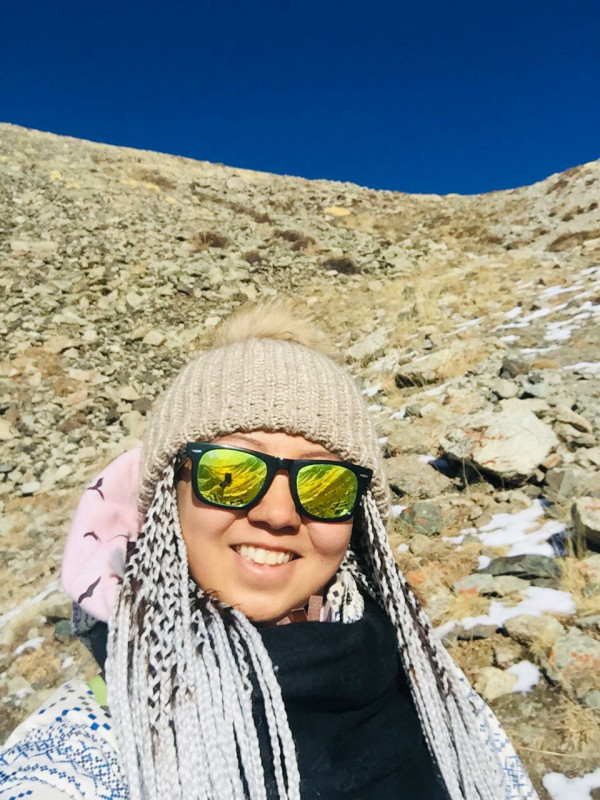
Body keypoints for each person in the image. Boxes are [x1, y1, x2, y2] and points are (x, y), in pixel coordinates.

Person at [0, 302, 539, 799]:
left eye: (325, 484)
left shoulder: (434, 688)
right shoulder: (84, 749)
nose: (278, 514)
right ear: (169, 495)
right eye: (229, 473)